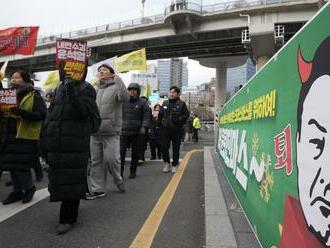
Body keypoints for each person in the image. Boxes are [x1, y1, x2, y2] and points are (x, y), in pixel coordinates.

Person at [42, 63, 99, 234]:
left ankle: (67, 218)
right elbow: (51, 114)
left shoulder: (87, 88)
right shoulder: (59, 88)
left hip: (75, 143)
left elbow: (83, 113)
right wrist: (44, 138)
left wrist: (71, 90)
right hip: (57, 141)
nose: (70, 73)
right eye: (66, 70)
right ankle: (68, 213)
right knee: (60, 178)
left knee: (72, 179)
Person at [0, 69, 46, 205]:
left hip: (24, 135)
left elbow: (41, 115)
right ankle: (17, 191)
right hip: (9, 135)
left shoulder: (34, 95)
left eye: (16, 77)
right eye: (12, 78)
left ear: (25, 79)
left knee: (21, 166)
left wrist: (21, 112)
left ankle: (29, 188)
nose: (12, 80)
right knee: (11, 165)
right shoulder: (7, 95)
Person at [86, 64, 129, 200]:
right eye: (99, 71)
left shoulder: (116, 86)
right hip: (95, 131)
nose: (101, 72)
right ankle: (98, 189)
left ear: (112, 73)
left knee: (112, 159)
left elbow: (124, 98)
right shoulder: (95, 88)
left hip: (111, 131)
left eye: (104, 70)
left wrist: (118, 79)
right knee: (96, 161)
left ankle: (118, 180)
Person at [120, 83, 150, 179]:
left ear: (138, 91)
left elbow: (146, 117)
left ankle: (133, 171)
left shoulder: (143, 103)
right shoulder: (123, 101)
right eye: (130, 89)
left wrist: (144, 127)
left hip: (137, 132)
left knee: (135, 153)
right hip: (123, 131)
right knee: (121, 153)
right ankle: (119, 173)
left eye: (134, 89)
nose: (132, 91)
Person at [159, 86, 189, 173]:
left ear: (178, 94)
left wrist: (178, 120)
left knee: (176, 148)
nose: (171, 94)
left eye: (174, 92)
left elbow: (186, 116)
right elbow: (160, 115)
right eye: (170, 92)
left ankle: (175, 164)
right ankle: (167, 163)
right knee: (164, 147)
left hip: (177, 129)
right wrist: (161, 124)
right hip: (165, 130)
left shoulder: (182, 104)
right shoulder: (165, 103)